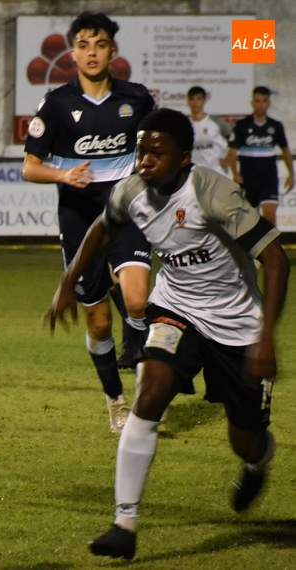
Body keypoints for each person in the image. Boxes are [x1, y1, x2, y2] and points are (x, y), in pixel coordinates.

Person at [48, 108, 289, 561]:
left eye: (157, 153)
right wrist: (69, 281)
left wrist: (266, 338)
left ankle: (256, 463)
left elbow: (276, 259)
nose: (145, 161)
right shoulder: (132, 192)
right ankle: (124, 523)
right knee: (150, 392)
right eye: (141, 151)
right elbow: (102, 230)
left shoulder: (213, 193)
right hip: (176, 311)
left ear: (182, 158)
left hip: (237, 328)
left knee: (247, 438)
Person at [22, 11, 156, 433]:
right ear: (72, 52)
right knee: (97, 320)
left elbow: (155, 152)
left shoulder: (136, 99)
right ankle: (116, 399)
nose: (92, 52)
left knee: (136, 298)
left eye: (99, 44)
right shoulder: (57, 105)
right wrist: (64, 174)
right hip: (79, 219)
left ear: (112, 50)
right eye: (83, 45)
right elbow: (29, 167)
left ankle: (144, 372)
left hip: (127, 212)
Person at [227, 86, 295, 226]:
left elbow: (285, 150)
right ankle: (254, 247)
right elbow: (232, 153)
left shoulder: (275, 126)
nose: (261, 104)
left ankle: (273, 247)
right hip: (249, 179)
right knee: (251, 220)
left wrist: (291, 174)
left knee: (270, 216)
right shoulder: (242, 125)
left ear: (268, 103)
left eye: (264, 101)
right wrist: (235, 173)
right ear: (252, 103)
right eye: (257, 101)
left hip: (268, 180)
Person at [186, 86, 232, 175]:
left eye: (198, 99)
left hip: (217, 171)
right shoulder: (185, 125)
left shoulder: (216, 121)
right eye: (192, 99)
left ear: (204, 100)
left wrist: (227, 158)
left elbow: (233, 141)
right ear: (188, 101)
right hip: (196, 172)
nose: (195, 103)